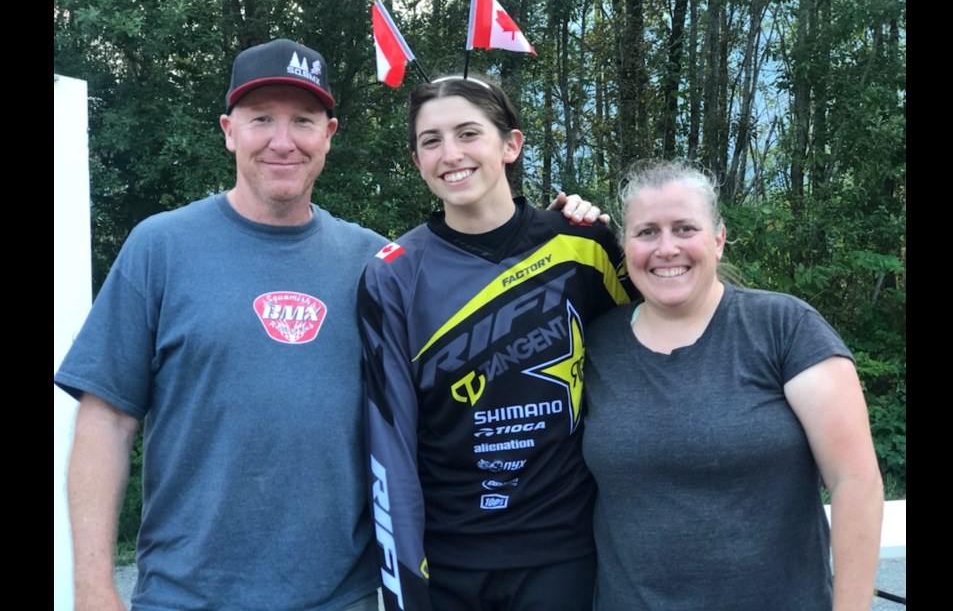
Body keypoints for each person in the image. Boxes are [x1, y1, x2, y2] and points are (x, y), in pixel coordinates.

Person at [54, 40, 601, 610]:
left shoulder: (379, 266)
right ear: (228, 130)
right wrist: (93, 588)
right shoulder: (160, 248)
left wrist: (572, 229)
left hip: (347, 596)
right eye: (261, 118)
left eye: (303, 121)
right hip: (188, 595)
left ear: (329, 135)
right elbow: (106, 423)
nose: (282, 140)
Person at [358, 75, 635, 611]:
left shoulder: (585, 245)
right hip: (449, 563)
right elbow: (389, 444)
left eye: (468, 133)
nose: (450, 154)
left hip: (565, 553)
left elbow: (654, 363)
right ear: (416, 161)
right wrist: (403, 589)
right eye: (430, 141)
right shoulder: (392, 274)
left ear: (510, 144)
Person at [582, 160, 885, 611]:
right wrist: (546, 229)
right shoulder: (594, 343)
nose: (666, 248)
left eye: (685, 228)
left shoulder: (784, 327)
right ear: (625, 247)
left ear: (718, 240)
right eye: (646, 232)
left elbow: (855, 481)